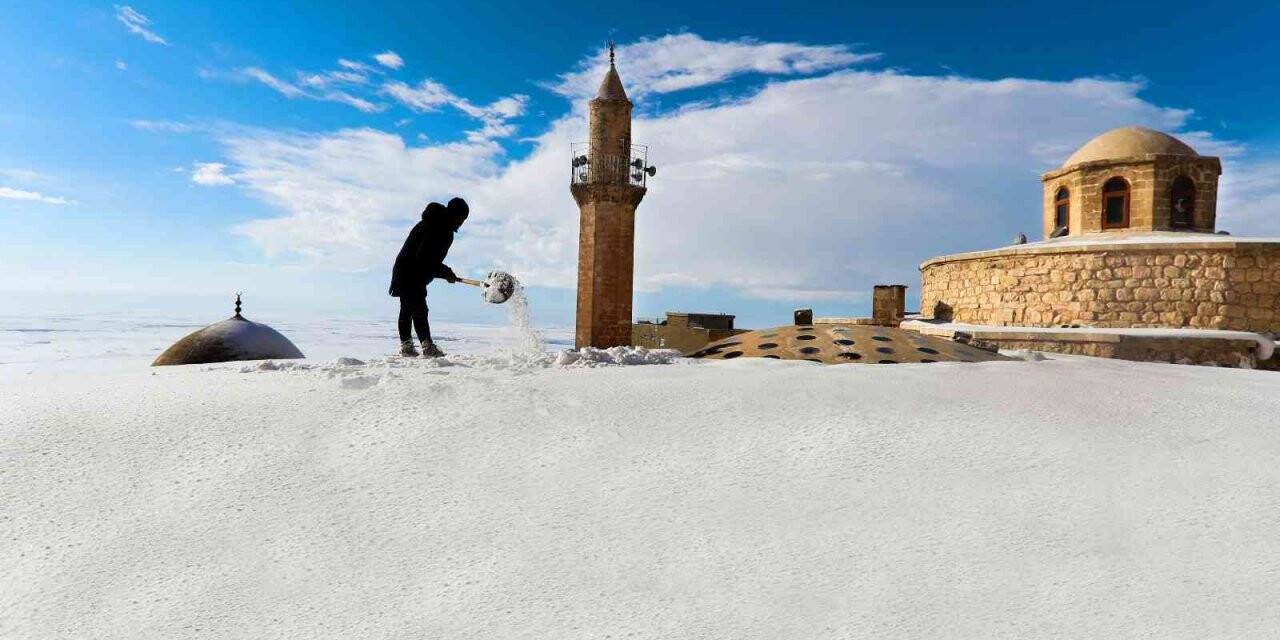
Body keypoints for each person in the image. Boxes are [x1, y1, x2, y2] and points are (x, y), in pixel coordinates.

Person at [389, 197, 469, 357]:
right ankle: (426, 346)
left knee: (409, 307)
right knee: (417, 308)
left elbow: (429, 261)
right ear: (455, 215)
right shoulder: (439, 227)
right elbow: (425, 259)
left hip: (409, 269)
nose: (462, 223)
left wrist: (444, 272)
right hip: (410, 271)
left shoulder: (436, 223)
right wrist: (446, 273)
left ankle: (408, 347)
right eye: (462, 218)